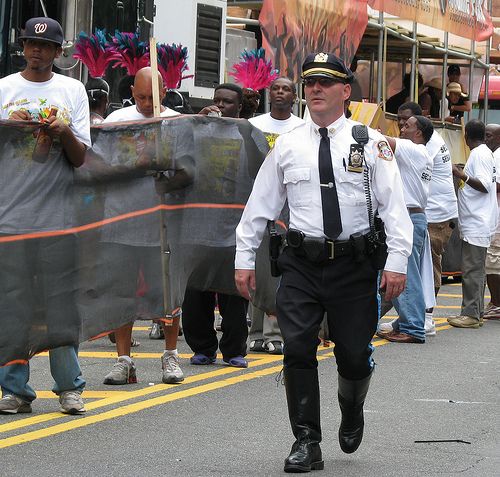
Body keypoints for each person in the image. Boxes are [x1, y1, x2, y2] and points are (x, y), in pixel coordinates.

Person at [235, 53, 412, 473]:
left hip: (354, 265)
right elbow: (260, 205)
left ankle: (352, 410)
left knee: (352, 354)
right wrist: (243, 257)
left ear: (345, 92)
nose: (315, 89)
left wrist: (398, 262)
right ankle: (306, 440)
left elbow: (394, 207)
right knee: (297, 348)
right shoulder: (288, 145)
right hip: (300, 262)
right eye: (310, 82)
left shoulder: (370, 142)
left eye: (326, 83)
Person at [0, 17, 90, 415]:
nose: (36, 51)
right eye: (30, 45)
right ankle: (14, 390)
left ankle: (69, 387)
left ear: (58, 52)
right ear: (23, 48)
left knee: (59, 304)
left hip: (58, 217)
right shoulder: (3, 88)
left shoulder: (72, 90)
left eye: (45, 47)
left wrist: (62, 131)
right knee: (12, 305)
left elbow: (81, 157)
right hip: (10, 216)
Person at [100, 67, 184, 385]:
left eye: (155, 96)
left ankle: (171, 357)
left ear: (166, 90)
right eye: (142, 97)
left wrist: (168, 164)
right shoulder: (116, 122)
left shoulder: (176, 123)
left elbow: (191, 171)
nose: (148, 103)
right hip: (122, 220)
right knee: (122, 292)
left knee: (167, 292)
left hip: (163, 223)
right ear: (133, 93)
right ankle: (124, 360)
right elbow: (99, 166)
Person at [181, 83, 249, 369]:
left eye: (228, 102)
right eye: (217, 100)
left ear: (240, 107)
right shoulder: (196, 129)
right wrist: (198, 120)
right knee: (196, 290)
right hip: (197, 225)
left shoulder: (247, 133)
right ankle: (202, 348)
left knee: (233, 290)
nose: (221, 106)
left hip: (233, 225)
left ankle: (234, 350)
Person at [247, 77, 304, 354]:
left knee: (280, 268)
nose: (280, 93)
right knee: (257, 268)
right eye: (276, 88)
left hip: (290, 209)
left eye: (286, 89)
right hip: (259, 202)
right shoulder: (254, 125)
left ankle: (276, 333)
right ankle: (256, 331)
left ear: (294, 96)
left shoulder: (302, 128)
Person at [376, 105, 434, 344]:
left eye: (407, 125)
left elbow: (382, 142)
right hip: (414, 217)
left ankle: (412, 327)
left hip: (409, 217)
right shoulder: (417, 153)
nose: (401, 127)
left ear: (418, 133)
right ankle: (408, 322)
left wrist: (373, 132)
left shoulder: (413, 149)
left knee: (406, 273)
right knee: (409, 273)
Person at [448, 120, 497, 328]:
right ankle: (472, 312)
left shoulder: (480, 154)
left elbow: (485, 185)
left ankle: (471, 315)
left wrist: (461, 175)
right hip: (476, 222)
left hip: (478, 222)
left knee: (472, 271)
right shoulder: (483, 153)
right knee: (474, 270)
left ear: (466, 135)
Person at [483, 124, 500, 320]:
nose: (486, 139)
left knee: (493, 260)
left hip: (496, 214)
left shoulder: (497, 155)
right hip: (493, 212)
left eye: (489, 136)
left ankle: (496, 303)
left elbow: (496, 184)